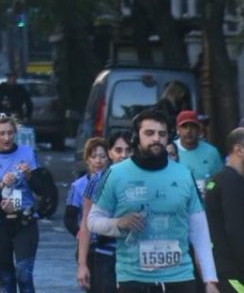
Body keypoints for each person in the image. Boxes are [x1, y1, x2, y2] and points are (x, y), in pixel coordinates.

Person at [88, 108, 219, 292]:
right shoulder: (115, 174)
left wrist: (210, 280)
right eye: (149, 133)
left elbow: (200, 231)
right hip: (134, 279)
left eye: (162, 134)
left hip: (180, 278)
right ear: (136, 137)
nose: (156, 139)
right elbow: (93, 221)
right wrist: (119, 223)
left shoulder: (184, 174)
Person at [0, 114, 40, 293]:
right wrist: (1, 184)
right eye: (1, 134)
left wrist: (30, 175)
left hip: (25, 219)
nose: (6, 138)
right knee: (6, 278)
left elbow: (42, 188)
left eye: (10, 133)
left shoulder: (27, 153)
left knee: (24, 273)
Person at [76, 131, 132, 293]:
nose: (123, 155)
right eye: (118, 150)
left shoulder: (144, 177)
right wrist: (82, 264)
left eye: (128, 150)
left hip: (135, 256)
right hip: (105, 255)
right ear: (110, 153)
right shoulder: (96, 181)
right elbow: (86, 223)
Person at [203, 127, 244, 292]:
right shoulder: (230, 182)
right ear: (239, 150)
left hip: (224, 269)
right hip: (234, 275)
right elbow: (237, 231)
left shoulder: (219, 180)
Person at [65, 138, 109, 238]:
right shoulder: (77, 186)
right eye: (94, 157)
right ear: (87, 159)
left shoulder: (115, 181)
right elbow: (69, 217)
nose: (98, 161)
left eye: (103, 157)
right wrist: (80, 235)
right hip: (89, 241)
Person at [174, 110, 222, 193]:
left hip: (205, 204)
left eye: (193, 126)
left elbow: (219, 180)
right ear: (177, 129)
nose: (188, 130)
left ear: (199, 129)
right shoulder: (169, 151)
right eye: (184, 126)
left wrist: (209, 187)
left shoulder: (211, 152)